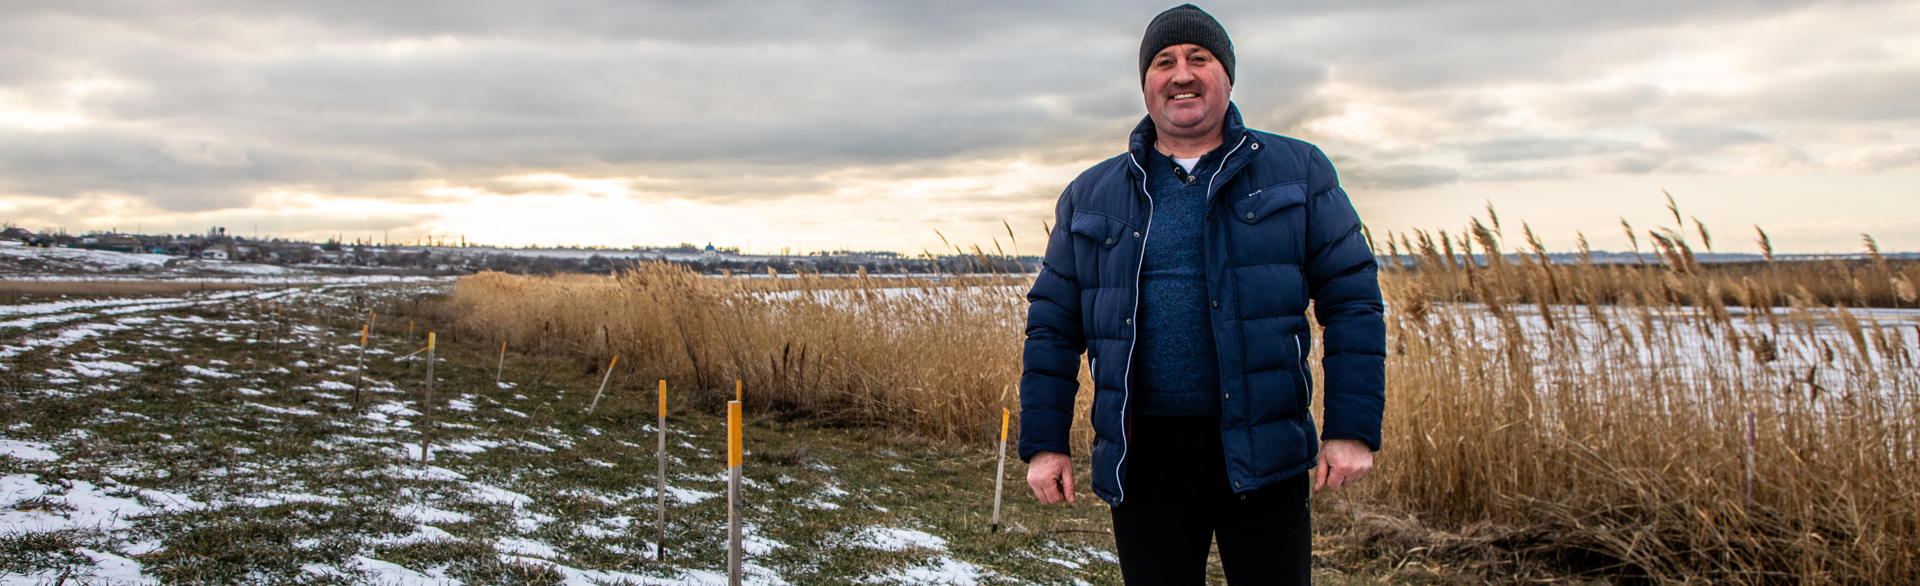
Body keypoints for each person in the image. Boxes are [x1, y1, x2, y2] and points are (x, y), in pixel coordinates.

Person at [1017, 4, 1385, 584]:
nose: (1181, 74)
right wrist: (1045, 443)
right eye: (1164, 62)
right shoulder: (1091, 193)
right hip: (1144, 457)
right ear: (1146, 83)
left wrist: (1351, 430)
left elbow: (1353, 302)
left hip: (1264, 446)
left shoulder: (1299, 171)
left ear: (1227, 75)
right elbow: (1053, 326)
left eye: (1199, 58)